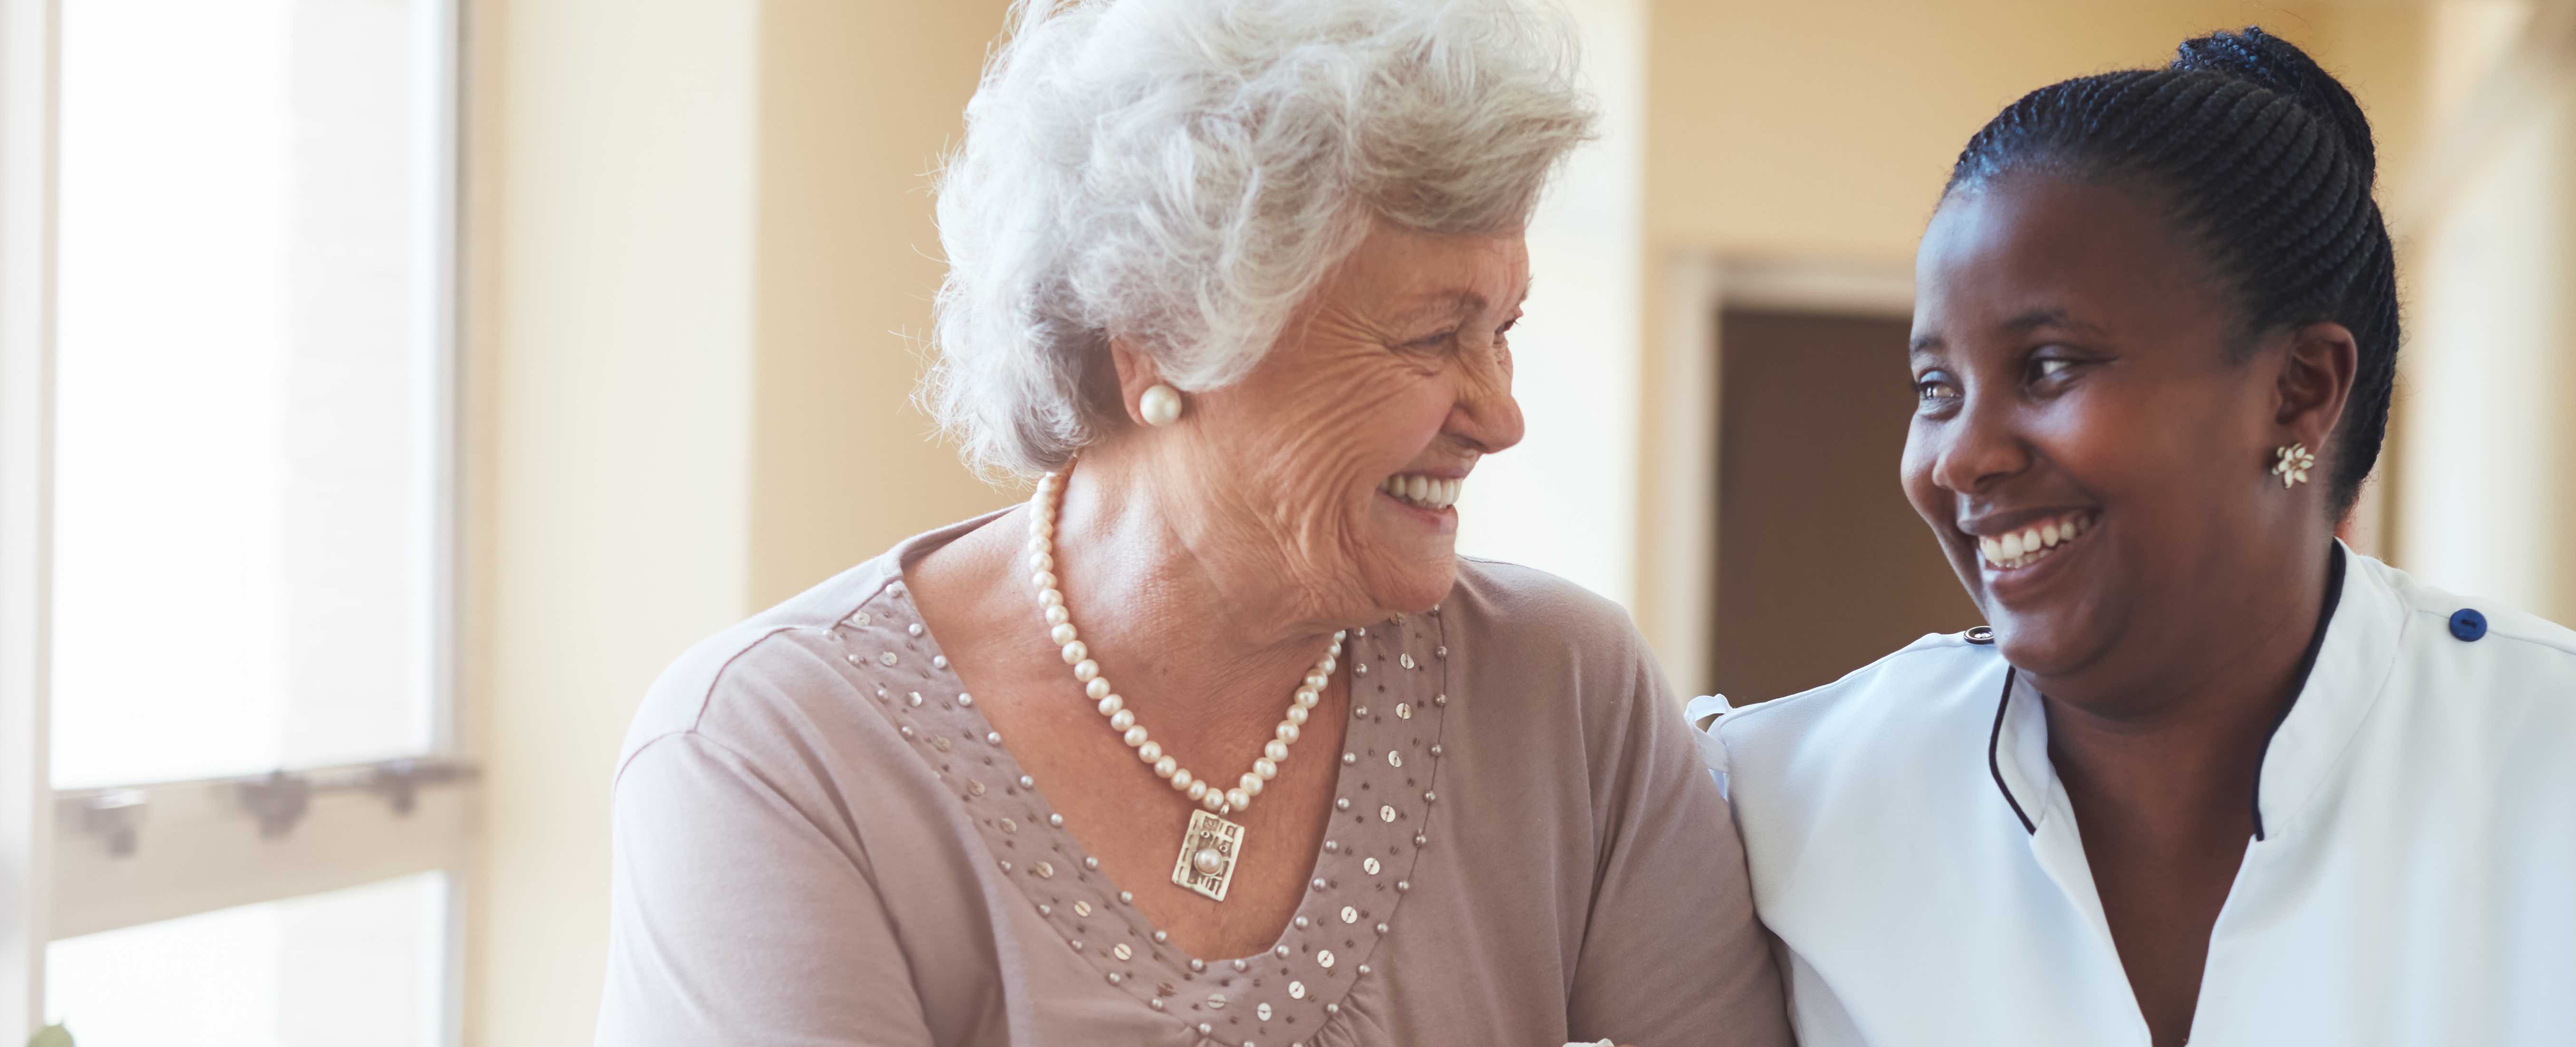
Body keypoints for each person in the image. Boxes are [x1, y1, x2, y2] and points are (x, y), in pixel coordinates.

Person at [592, 1, 1788, 1044]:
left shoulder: (1563, 696)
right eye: (1431, 338)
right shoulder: (775, 754)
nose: (1499, 414)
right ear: (1161, 337)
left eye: (1504, 331)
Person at [1698, 27, 2576, 1046]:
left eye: (2048, 366)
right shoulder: (1773, 811)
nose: (1959, 457)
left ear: (2299, 389)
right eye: (1936, 387)